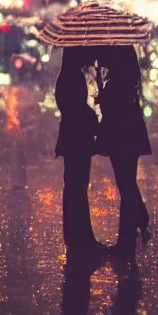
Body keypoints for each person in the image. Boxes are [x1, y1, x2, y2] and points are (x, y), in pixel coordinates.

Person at [95, 45, 152, 262]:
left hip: (122, 133)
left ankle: (126, 241)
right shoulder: (126, 73)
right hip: (128, 132)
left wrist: (103, 93)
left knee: (125, 184)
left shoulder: (120, 80)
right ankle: (141, 217)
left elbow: (114, 103)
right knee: (126, 181)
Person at [55, 46, 104, 261]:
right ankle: (78, 239)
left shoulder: (71, 74)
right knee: (76, 188)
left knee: (77, 188)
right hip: (76, 139)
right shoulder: (71, 77)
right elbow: (75, 108)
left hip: (75, 139)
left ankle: (82, 237)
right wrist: (92, 116)